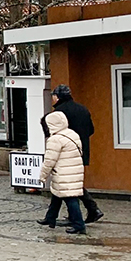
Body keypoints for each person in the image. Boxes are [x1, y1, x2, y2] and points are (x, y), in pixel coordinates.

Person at [42, 84, 105, 223]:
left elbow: (52, 132)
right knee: (69, 182)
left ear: (57, 97)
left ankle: (91, 209)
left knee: (68, 183)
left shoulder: (59, 113)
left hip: (66, 153)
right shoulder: (83, 109)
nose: (52, 98)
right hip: (82, 150)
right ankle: (56, 216)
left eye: (53, 95)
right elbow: (91, 130)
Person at [37, 111, 87, 234]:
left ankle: (79, 224)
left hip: (64, 172)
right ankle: (50, 218)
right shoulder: (72, 134)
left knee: (70, 199)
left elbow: (49, 160)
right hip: (74, 170)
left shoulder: (55, 139)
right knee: (57, 195)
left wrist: (43, 176)